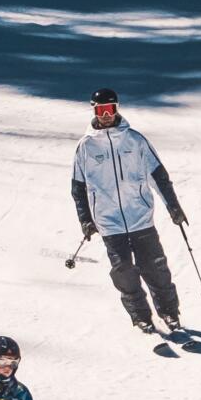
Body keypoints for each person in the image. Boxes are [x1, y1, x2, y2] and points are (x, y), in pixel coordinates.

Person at [70, 87, 188, 334]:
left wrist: (173, 207)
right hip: (109, 222)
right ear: (94, 111)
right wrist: (86, 220)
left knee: (155, 268)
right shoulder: (86, 147)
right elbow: (78, 188)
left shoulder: (135, 140)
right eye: (101, 110)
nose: (105, 115)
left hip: (140, 218)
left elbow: (159, 176)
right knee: (123, 271)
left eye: (110, 109)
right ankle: (140, 316)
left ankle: (169, 312)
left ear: (116, 109)